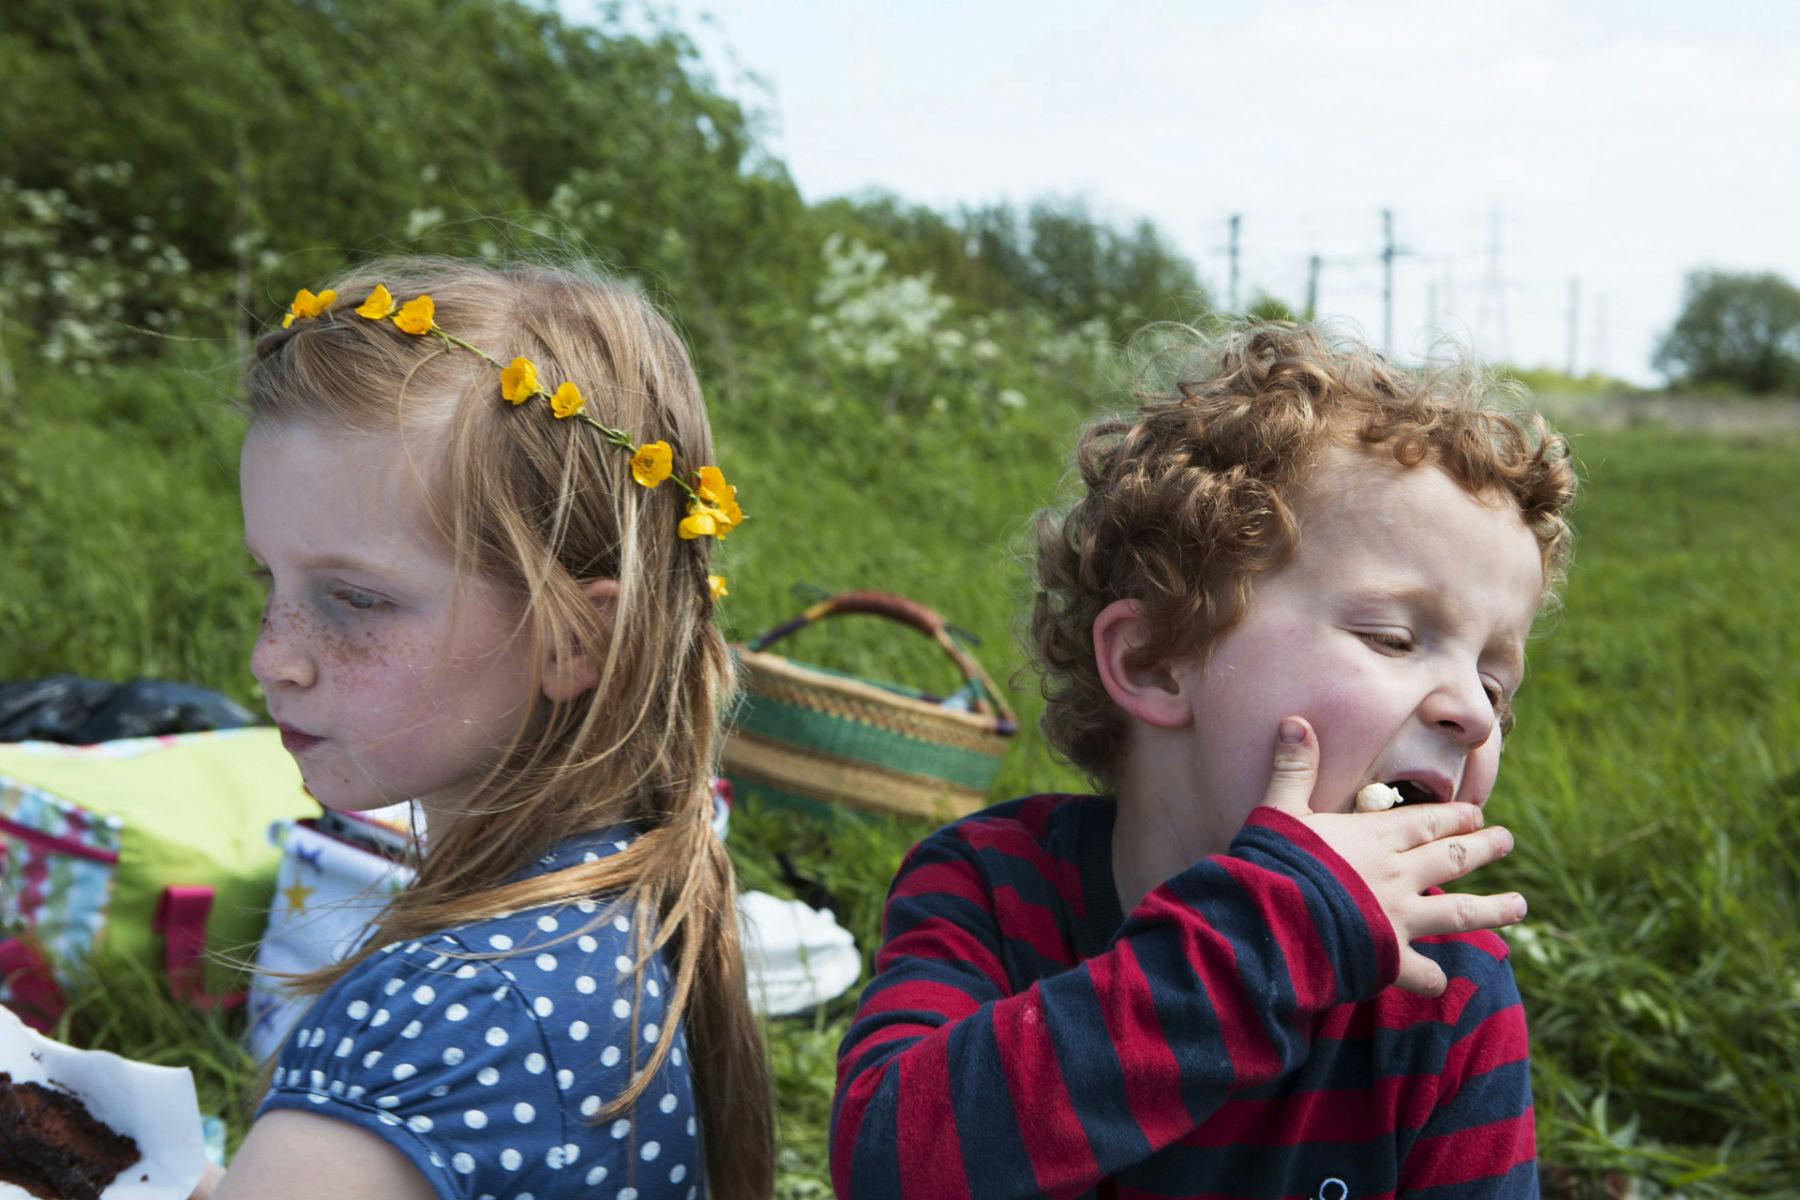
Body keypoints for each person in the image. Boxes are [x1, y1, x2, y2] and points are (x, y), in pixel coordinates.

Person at [831, 323, 1575, 1198]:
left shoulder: (1447, 987)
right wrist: (1260, 942)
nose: (1473, 714)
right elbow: (885, 1166)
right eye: (1392, 637)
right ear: (1158, 663)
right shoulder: (993, 892)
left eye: (1495, 684)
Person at [200, 260, 768, 1200]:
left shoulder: (450, 1021)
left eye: (356, 599)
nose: (273, 658)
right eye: (270, 579)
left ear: (574, 639)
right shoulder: (619, 916)